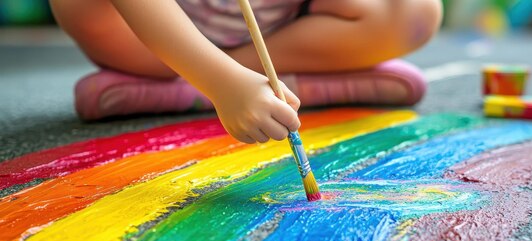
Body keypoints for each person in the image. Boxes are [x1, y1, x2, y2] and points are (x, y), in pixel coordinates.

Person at [50, 0, 442, 144]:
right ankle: (207, 80)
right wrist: (221, 82)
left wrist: (235, 77)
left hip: (275, 32)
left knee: (416, 11)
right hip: (152, 39)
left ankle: (209, 87)